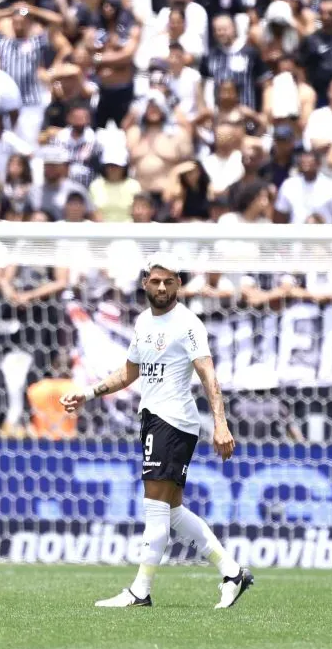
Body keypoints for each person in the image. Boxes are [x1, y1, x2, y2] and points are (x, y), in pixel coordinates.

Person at [60, 254, 254, 609]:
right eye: (155, 281)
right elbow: (128, 373)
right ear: (145, 283)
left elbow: (208, 374)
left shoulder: (188, 323)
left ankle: (140, 591)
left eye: (168, 281)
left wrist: (221, 423)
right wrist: (86, 394)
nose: (161, 287)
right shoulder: (143, 322)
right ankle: (232, 573)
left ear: (178, 284)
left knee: (154, 508)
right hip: (153, 418)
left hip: (173, 421)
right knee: (173, 511)